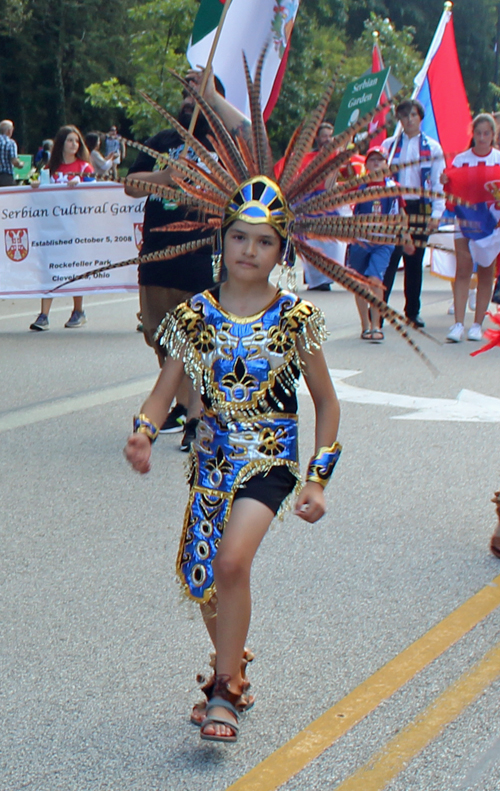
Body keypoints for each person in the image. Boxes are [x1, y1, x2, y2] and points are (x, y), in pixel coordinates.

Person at [125, 180, 342, 744]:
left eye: (264, 241)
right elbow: (164, 388)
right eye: (240, 237)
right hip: (212, 459)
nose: (250, 250)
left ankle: (225, 688)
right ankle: (235, 661)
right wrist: (144, 432)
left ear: (282, 252)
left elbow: (326, 402)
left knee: (230, 564)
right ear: (222, 241)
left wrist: (317, 481)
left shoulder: (295, 317)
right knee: (203, 580)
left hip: (268, 460)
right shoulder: (195, 315)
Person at [124, 68, 250, 450]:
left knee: (199, 341)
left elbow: (248, 135)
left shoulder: (226, 143)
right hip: (158, 259)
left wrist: (213, 98)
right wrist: (167, 176)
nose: (187, 96)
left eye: (197, 90)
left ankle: (197, 417)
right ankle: (183, 406)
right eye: (185, 90)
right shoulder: (163, 140)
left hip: (204, 258)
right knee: (162, 339)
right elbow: (131, 185)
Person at [381, 99, 445, 328]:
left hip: (419, 206)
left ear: (420, 117)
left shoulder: (432, 148)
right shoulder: (388, 147)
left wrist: (436, 213)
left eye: (413, 115)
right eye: (404, 116)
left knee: (414, 260)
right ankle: (379, 310)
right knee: (388, 258)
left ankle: (412, 311)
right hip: (394, 207)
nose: (409, 120)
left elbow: (438, 183)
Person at [29, 125, 93, 331]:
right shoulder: (50, 169)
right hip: (53, 228)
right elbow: (42, 197)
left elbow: (95, 193)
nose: (74, 144)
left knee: (75, 267)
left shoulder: (84, 167)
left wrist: (81, 183)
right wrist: (36, 187)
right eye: (69, 140)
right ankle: (44, 315)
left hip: (76, 226)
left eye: (76, 141)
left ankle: (78, 310)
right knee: (50, 268)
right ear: (61, 143)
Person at [443, 114, 500, 342]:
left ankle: (477, 324)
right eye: (478, 133)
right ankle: (458, 324)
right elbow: (450, 190)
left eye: (487, 133)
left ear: (493, 135)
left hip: (492, 223)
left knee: (486, 271)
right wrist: (445, 182)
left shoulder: (498, 159)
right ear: (473, 135)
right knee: (463, 269)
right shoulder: (460, 161)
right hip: (464, 219)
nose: (482, 137)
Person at [346, 146, 407, 341]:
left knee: (375, 280)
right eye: (372, 160)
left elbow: (401, 213)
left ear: (386, 164)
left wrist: (405, 236)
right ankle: (365, 325)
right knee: (360, 284)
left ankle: (375, 324)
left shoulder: (392, 187)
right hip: (360, 241)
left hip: (383, 241)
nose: (376, 164)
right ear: (366, 165)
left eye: (380, 160)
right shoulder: (359, 186)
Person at [0, 119, 23, 186]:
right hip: (6, 177)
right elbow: (14, 161)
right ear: (9, 131)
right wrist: (21, 164)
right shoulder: (10, 143)